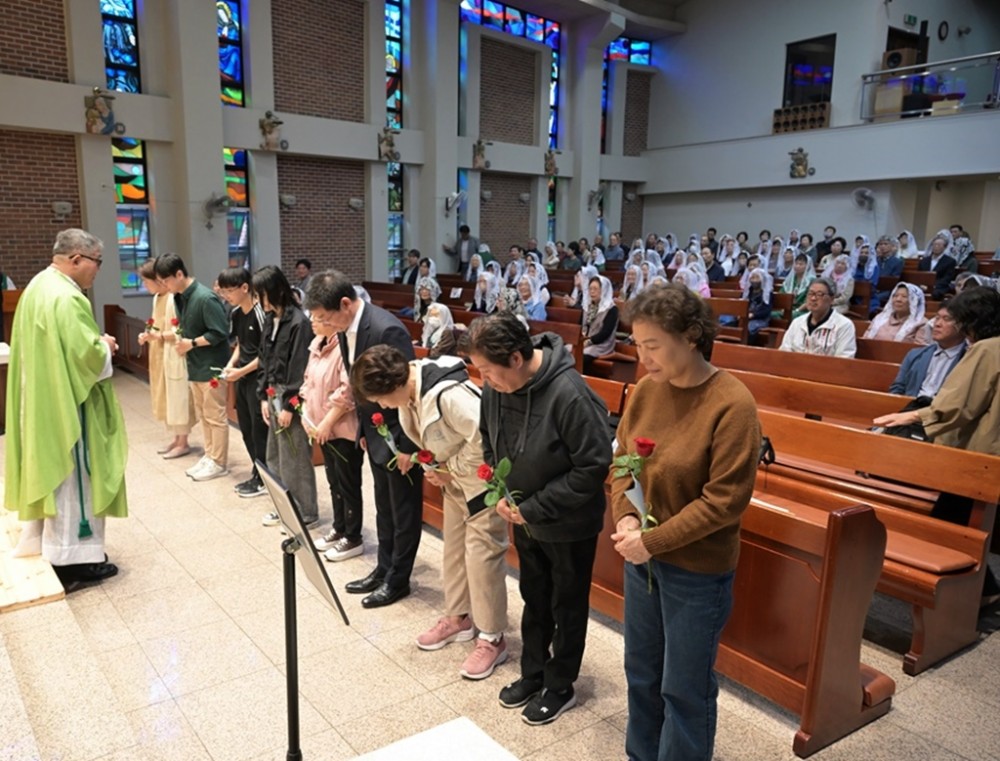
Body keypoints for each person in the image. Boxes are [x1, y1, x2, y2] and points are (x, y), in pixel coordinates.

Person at [611, 283, 760, 761]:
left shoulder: (732, 404)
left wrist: (652, 541)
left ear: (692, 336)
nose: (643, 357)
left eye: (653, 345)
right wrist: (627, 518)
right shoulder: (646, 392)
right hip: (642, 559)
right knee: (641, 673)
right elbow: (622, 464)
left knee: (684, 689)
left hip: (696, 571)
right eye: (637, 344)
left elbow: (724, 502)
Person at [461, 312, 610, 725]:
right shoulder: (496, 387)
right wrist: (502, 491)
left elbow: (593, 466)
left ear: (515, 358)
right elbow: (490, 440)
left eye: (489, 370)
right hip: (523, 515)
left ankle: (560, 685)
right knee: (535, 596)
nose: (485, 380)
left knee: (567, 604)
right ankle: (534, 673)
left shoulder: (570, 394)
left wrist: (534, 507)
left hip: (568, 523)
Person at [351, 346, 510, 679]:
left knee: (482, 560)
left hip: (480, 485)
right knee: (454, 553)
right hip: (454, 483)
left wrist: (450, 468)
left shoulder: (449, 394)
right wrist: (436, 466)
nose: (383, 406)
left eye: (381, 399)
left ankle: (492, 638)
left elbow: (486, 440)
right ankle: (458, 618)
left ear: (394, 383)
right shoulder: (410, 390)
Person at [5, 228, 126, 586]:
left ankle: (58, 548)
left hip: (44, 398)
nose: (97, 270)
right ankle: (75, 561)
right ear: (76, 259)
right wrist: (105, 346)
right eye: (97, 262)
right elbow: (86, 357)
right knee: (76, 478)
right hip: (68, 406)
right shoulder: (68, 297)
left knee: (58, 475)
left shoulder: (38, 286)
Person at [874, 287, 1000, 604]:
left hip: (979, 454)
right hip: (989, 452)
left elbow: (958, 404)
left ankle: (972, 594)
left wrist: (912, 416)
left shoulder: (986, 350)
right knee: (955, 520)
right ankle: (983, 590)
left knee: (950, 523)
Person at [310, 270, 424, 608]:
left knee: (403, 511)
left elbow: (408, 391)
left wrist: (407, 446)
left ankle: (398, 580)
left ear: (345, 304)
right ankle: (383, 569)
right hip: (374, 432)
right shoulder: (347, 329)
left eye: (325, 317)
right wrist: (363, 430)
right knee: (385, 508)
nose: (324, 325)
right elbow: (360, 388)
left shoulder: (386, 329)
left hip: (399, 436)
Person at [300, 286, 365, 562]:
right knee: (333, 481)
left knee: (348, 483)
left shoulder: (343, 345)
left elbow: (347, 389)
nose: (313, 322)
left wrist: (326, 422)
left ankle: (353, 536)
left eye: (318, 318)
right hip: (321, 428)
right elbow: (308, 381)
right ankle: (339, 529)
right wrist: (306, 415)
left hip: (342, 428)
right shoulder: (316, 344)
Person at [155, 253, 231, 481]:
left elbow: (220, 333)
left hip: (212, 366)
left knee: (215, 416)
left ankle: (219, 462)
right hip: (195, 365)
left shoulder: (205, 298)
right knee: (204, 415)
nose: (164, 286)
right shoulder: (180, 297)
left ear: (179, 274)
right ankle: (210, 455)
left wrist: (192, 343)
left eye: (166, 280)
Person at [253, 266, 319, 529]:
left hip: (291, 395)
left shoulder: (299, 323)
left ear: (275, 291)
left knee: (295, 456)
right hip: (273, 392)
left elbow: (300, 368)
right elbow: (264, 359)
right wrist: (263, 397)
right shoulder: (271, 319)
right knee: (275, 455)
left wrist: (291, 406)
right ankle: (285, 508)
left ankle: (306, 513)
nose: (259, 301)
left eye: (261, 294)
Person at [217, 266, 269, 498]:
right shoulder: (237, 313)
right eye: (223, 291)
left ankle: (265, 479)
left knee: (260, 432)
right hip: (242, 378)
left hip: (258, 378)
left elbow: (266, 354)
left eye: (229, 290)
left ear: (245, 287)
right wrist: (231, 364)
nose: (226, 295)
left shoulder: (261, 313)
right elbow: (241, 344)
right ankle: (257, 473)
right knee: (246, 429)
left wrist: (240, 371)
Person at [136, 259, 193, 461]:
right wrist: (147, 334)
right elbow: (155, 323)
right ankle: (176, 439)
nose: (145, 286)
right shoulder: (157, 298)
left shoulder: (173, 298)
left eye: (146, 281)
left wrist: (158, 336)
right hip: (160, 352)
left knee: (177, 397)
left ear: (158, 281)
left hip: (174, 353)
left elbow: (181, 330)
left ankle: (183, 441)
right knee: (166, 396)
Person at [888, 305, 966, 396]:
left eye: (946, 319)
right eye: (937, 318)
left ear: (962, 325)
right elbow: (897, 388)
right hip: (911, 402)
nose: (937, 324)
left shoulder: (968, 359)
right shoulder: (915, 354)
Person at [779, 277, 857, 357]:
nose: (813, 298)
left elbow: (844, 359)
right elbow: (784, 353)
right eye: (810, 293)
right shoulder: (797, 323)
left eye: (820, 294)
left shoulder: (844, 325)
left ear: (832, 299)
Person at [863, 283, 928, 344]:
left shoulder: (921, 324)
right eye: (895, 296)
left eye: (904, 296)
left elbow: (921, 349)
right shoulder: (880, 318)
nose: (898, 299)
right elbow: (864, 340)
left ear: (914, 301)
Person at [582, 275, 619, 370]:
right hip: (585, 341)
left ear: (604, 290)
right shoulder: (588, 306)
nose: (592, 291)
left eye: (595, 289)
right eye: (590, 289)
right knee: (565, 351)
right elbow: (581, 325)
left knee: (581, 357)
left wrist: (589, 341)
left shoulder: (612, 309)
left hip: (602, 344)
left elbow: (606, 332)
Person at [918, 232, 958, 300]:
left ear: (944, 247)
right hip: (923, 285)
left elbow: (947, 278)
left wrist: (932, 286)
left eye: (939, 245)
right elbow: (919, 275)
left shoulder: (950, 261)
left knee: (936, 293)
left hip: (939, 286)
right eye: (934, 245)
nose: (936, 247)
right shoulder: (924, 260)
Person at [780, 252, 816, 317]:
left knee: (792, 316)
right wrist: (783, 308)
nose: (797, 266)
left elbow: (809, 301)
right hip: (787, 309)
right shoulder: (790, 279)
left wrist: (797, 310)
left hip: (803, 311)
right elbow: (781, 294)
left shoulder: (812, 281)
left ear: (807, 266)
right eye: (796, 263)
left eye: (801, 264)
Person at [744, 269, 773, 336]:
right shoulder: (748, 291)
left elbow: (766, 310)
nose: (754, 280)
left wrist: (753, 315)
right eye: (752, 278)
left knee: (748, 328)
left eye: (757, 278)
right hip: (746, 317)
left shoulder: (767, 294)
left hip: (760, 319)